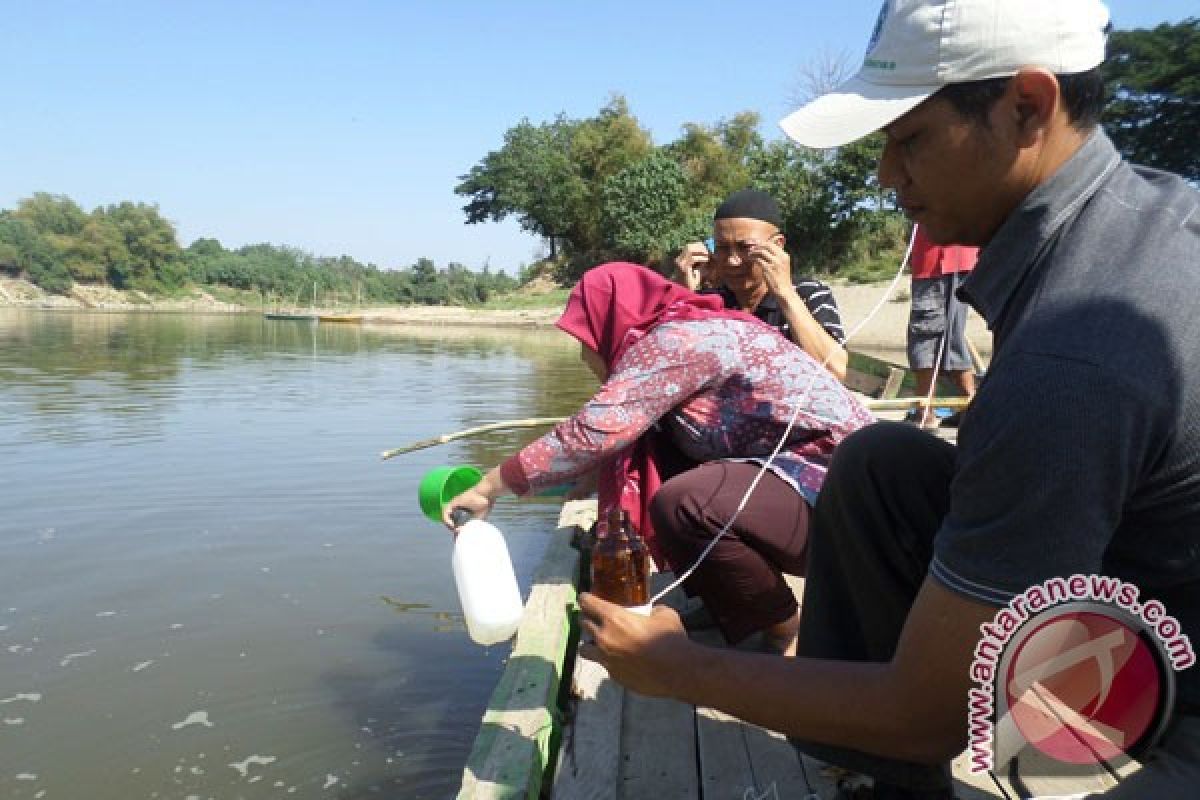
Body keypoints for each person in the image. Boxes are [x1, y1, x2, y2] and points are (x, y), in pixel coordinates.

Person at [577, 2, 1200, 797]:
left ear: (1028, 107)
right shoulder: (1142, 217)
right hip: (1133, 594)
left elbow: (929, 713)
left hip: (1171, 668)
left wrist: (679, 669)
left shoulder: (1073, 349)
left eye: (908, 140)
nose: (884, 175)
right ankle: (890, 779)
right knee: (881, 466)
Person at [444, 262, 873, 656]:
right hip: (803, 487)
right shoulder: (686, 328)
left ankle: (786, 628)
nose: (583, 353)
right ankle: (732, 602)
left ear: (609, 319)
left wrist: (488, 486)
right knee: (677, 480)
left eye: (585, 336)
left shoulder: (679, 340)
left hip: (843, 497)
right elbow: (616, 437)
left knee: (685, 504)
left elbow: (593, 432)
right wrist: (578, 481)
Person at [673, 189, 849, 381]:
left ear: (778, 245)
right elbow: (673, 369)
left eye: (745, 247)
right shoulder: (710, 302)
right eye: (722, 248)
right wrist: (682, 297)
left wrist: (785, 294)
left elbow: (834, 370)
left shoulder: (809, 294)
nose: (733, 260)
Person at [904, 225, 977, 427]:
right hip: (957, 258)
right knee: (953, 335)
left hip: (937, 260)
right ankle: (969, 409)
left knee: (925, 335)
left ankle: (925, 412)